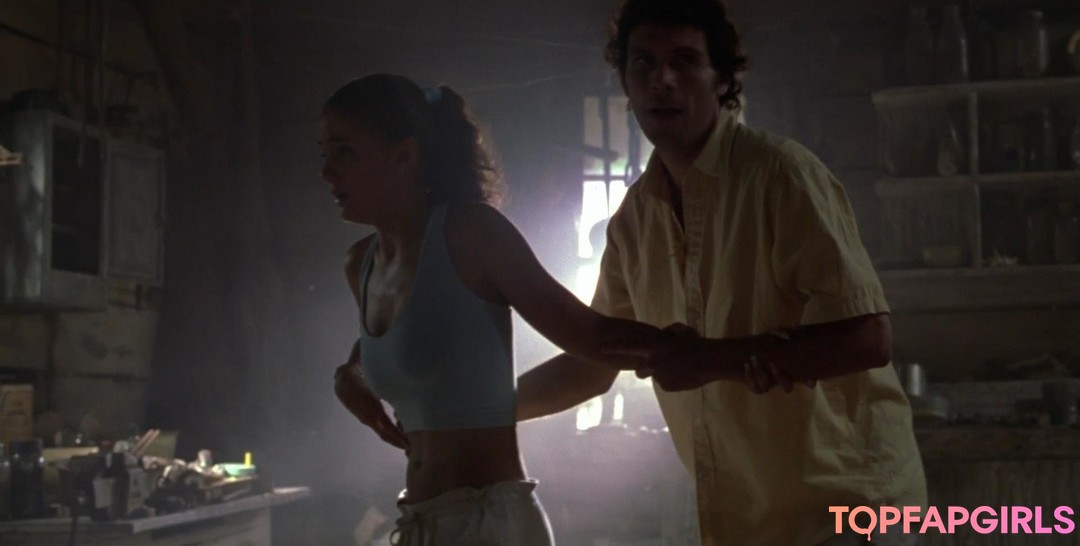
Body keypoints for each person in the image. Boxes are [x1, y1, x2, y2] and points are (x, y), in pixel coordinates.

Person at [516, 1, 928, 545]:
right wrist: (473, 411)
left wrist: (710, 360)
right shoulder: (634, 220)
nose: (662, 80)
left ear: (722, 79)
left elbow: (869, 338)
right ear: (626, 84)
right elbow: (596, 363)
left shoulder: (780, 175)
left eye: (684, 61)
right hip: (755, 523)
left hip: (848, 511)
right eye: (643, 63)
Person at [322, 74, 672, 545]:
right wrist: (350, 376)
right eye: (324, 155)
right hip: (420, 520)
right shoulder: (360, 264)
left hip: (489, 521)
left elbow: (593, 340)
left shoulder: (472, 234)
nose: (327, 172)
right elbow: (396, 345)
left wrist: (704, 352)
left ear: (404, 156)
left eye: (345, 152)